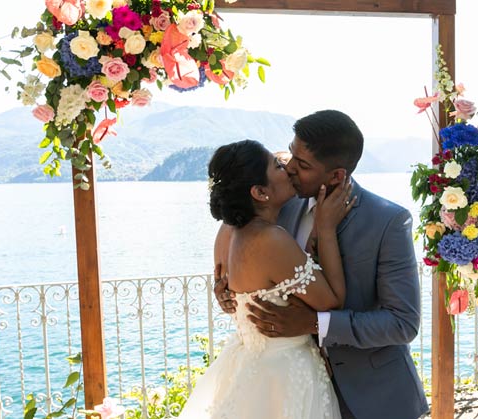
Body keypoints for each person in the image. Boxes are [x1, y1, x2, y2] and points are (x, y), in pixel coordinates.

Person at [215, 110, 428, 419]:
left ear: (336, 176)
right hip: (287, 392)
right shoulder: (278, 205)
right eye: (290, 156)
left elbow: (403, 323)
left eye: (302, 165)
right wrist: (229, 292)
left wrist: (315, 324)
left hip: (372, 398)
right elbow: (243, 253)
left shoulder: (387, 221)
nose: (289, 169)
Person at [178, 139, 356, 419]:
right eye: (278, 166)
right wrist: (326, 227)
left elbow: (233, 288)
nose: (288, 169)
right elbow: (332, 300)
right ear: (260, 192)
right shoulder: (271, 239)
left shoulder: (228, 233)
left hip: (248, 362)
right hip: (284, 373)